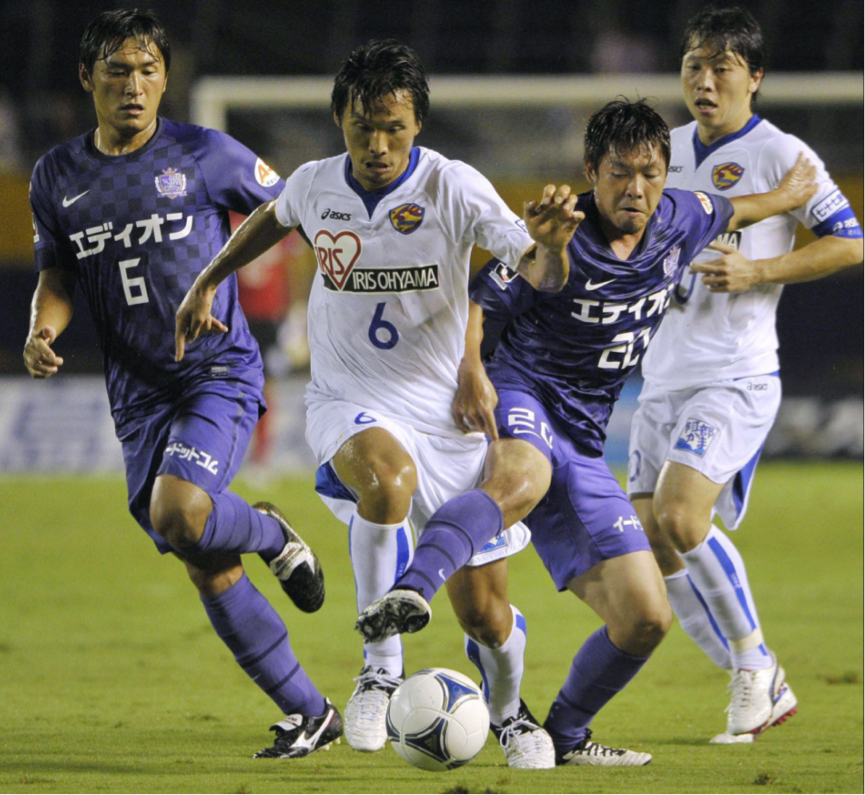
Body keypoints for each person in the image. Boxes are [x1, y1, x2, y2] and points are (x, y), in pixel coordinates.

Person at [356, 98, 818, 765]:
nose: (636, 189)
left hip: (583, 436)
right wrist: (469, 373)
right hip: (519, 393)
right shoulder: (557, 230)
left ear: (666, 174)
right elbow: (479, 302)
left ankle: (566, 734)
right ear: (590, 171)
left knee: (645, 616)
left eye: (650, 173)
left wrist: (789, 193)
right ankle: (410, 587)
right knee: (522, 476)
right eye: (620, 173)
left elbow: (734, 209)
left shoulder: (681, 216)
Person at [175, 40, 581, 769]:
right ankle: (378, 666)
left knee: (485, 616)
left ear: (417, 124)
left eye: (393, 126)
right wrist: (209, 278)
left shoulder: (453, 187)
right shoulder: (314, 183)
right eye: (363, 125)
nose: (378, 143)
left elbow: (540, 273)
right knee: (385, 479)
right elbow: (273, 216)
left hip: (445, 419)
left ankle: (510, 711)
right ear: (340, 120)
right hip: (349, 396)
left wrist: (550, 247)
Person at [23, 10, 339, 760]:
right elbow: (58, 274)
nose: (134, 86)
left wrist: (235, 282)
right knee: (201, 554)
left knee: (183, 513)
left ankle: (269, 527)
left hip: (215, 371)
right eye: (117, 72)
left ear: (166, 77)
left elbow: (291, 207)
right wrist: (43, 327)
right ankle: (311, 711)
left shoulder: (203, 153)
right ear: (87, 79)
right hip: (135, 396)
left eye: (147, 70)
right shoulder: (55, 176)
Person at [625, 7, 864, 744]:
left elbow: (848, 243)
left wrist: (759, 268)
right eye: (693, 65)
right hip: (661, 376)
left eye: (720, 67)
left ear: (753, 78)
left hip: (735, 373)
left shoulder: (782, 155)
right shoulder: (659, 151)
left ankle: (753, 661)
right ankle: (754, 674)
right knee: (650, 542)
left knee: (681, 515)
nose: (703, 80)